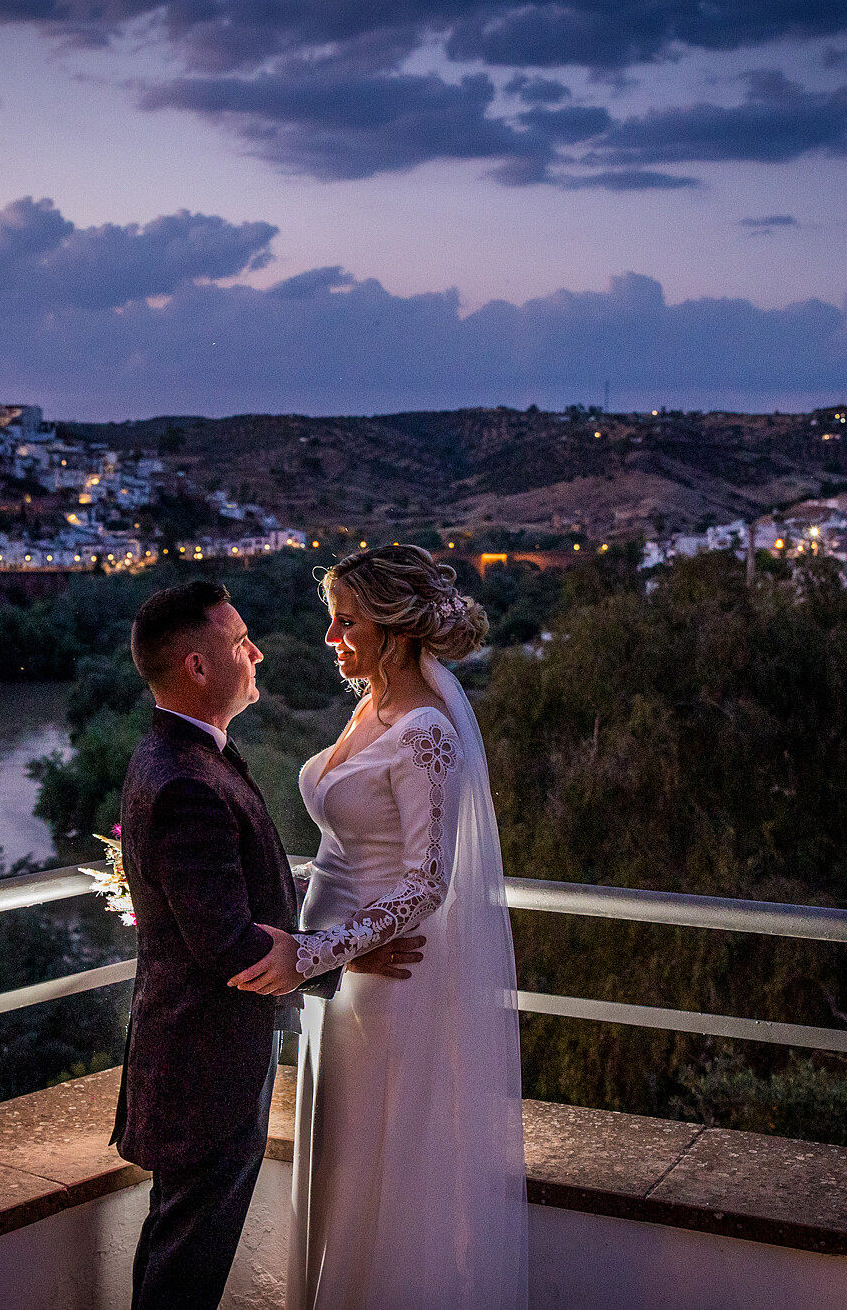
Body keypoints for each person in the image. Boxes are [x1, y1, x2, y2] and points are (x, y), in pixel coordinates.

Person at [229, 545, 529, 1309]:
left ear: (395, 629)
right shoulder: (370, 706)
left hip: (386, 984)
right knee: (337, 1157)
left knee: (376, 1165)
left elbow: (427, 882)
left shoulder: (427, 727)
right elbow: (347, 853)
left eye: (347, 620)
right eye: (331, 617)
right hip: (340, 976)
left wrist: (313, 952)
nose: (330, 635)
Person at [110, 580, 423, 1310]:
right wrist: (343, 951)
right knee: (187, 1259)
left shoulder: (185, 754)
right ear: (196, 666)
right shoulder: (186, 780)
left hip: (200, 1057)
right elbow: (229, 946)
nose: (256, 652)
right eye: (240, 640)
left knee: (178, 1242)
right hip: (204, 1064)